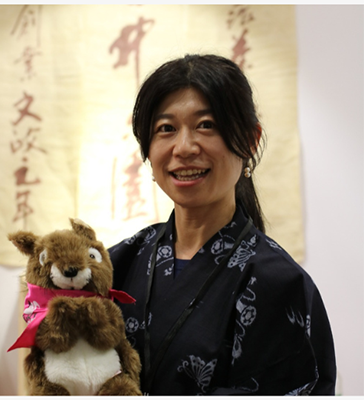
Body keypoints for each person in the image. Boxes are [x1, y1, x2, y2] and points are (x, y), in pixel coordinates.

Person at [109, 54, 336, 395]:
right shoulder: (118, 263)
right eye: (166, 129)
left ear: (249, 140)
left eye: (206, 125)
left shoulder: (278, 283)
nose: (184, 148)